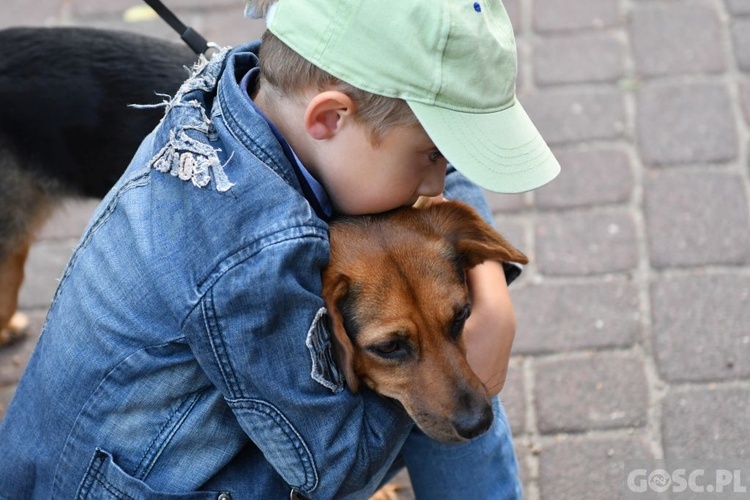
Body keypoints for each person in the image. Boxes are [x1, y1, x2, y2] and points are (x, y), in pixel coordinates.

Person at [0, 0, 559, 497]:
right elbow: (334, 468)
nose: (439, 183)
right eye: (430, 157)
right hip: (119, 485)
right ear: (330, 118)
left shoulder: (251, 88)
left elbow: (439, 186)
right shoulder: (254, 262)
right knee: (448, 397)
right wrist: (467, 352)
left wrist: (486, 295)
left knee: (445, 356)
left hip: (75, 454)